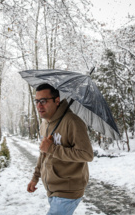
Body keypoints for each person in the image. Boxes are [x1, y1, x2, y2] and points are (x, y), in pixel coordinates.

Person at [27, 83, 94, 215]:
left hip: (68, 190)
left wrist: (52, 148)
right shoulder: (45, 123)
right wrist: (35, 177)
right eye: (37, 101)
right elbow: (44, 153)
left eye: (43, 101)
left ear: (57, 101)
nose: (39, 105)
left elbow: (87, 154)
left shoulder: (73, 122)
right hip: (52, 189)